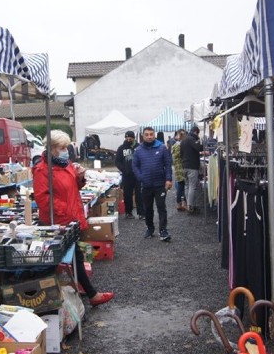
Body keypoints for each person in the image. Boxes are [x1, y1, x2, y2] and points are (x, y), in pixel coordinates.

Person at [32, 130, 114, 307]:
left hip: (71, 218)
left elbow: (73, 188)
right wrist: (65, 212)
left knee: (74, 256)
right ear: (51, 148)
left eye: (66, 147)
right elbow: (43, 199)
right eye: (62, 147)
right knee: (65, 258)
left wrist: (80, 178)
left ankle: (85, 293)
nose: (65, 151)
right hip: (57, 222)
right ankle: (85, 294)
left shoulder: (65, 164)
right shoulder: (42, 170)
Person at [132, 127, 173, 242]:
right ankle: (150, 228)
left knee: (161, 208)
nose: (149, 136)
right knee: (148, 209)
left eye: (151, 134)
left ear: (154, 135)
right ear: (143, 136)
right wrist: (141, 178)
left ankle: (163, 231)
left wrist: (168, 179)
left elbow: (168, 164)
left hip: (160, 184)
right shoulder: (138, 150)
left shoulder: (162, 148)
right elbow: (135, 166)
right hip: (146, 185)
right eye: (147, 135)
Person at [114, 130, 143, 220]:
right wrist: (124, 169)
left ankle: (141, 213)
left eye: (130, 137)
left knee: (140, 194)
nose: (128, 139)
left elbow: (143, 159)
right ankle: (128, 212)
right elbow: (117, 161)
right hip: (127, 175)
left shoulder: (139, 147)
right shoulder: (121, 148)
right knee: (127, 194)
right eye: (127, 137)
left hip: (138, 175)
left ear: (134, 138)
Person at [180, 125, 204, 214]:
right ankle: (191, 206)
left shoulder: (184, 140)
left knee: (187, 186)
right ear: (196, 132)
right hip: (192, 166)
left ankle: (189, 205)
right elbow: (199, 148)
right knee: (192, 187)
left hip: (184, 165)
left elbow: (181, 153)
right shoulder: (192, 139)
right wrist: (201, 142)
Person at [171, 129, 188, 211]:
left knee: (181, 187)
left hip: (178, 169)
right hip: (180, 168)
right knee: (182, 187)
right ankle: (182, 204)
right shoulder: (179, 145)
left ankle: (180, 204)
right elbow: (179, 156)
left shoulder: (175, 145)